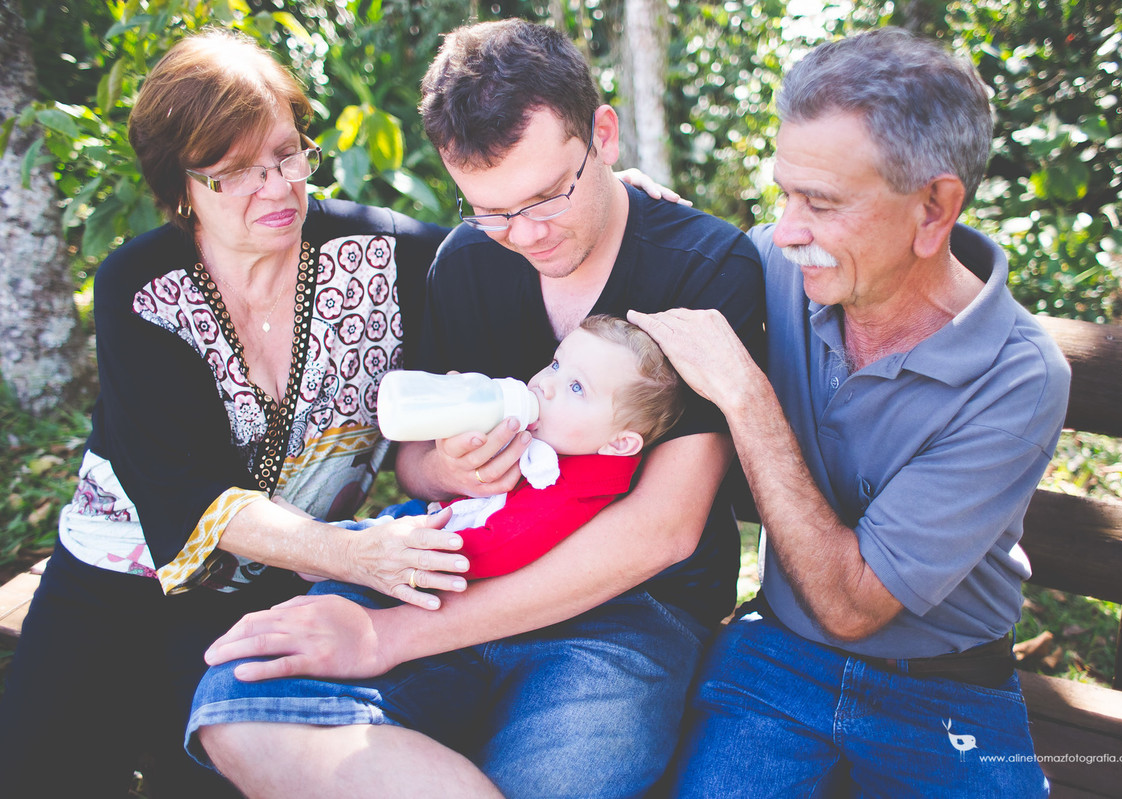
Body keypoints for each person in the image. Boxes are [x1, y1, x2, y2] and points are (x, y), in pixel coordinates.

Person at [189, 18, 765, 799]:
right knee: (237, 705)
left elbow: (662, 530)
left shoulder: (704, 266)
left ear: (603, 133)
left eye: (546, 197)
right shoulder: (468, 261)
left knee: (555, 782)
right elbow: (417, 464)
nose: (524, 235)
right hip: (465, 559)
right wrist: (447, 464)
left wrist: (386, 636)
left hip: (627, 611)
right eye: (490, 209)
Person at [0, 29, 463, 799]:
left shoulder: (383, 255)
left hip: (267, 588)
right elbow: (189, 496)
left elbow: (506, 254)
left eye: (287, 154)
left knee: (213, 769)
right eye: (235, 171)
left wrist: (612, 201)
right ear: (182, 187)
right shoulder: (142, 288)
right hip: (115, 578)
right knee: (33, 771)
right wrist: (356, 553)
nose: (276, 187)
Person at [630, 27, 1070, 797]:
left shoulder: (1017, 375)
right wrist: (621, 211)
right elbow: (657, 262)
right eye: (784, 193)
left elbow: (851, 604)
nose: (787, 230)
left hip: (949, 689)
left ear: (934, 208)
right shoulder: (779, 262)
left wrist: (745, 394)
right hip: (778, 659)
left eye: (823, 203)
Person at [329, 313, 686, 581]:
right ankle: (334, 545)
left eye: (577, 387)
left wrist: (415, 550)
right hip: (436, 513)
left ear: (619, 442)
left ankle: (333, 550)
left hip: (442, 550)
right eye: (556, 364)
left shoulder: (570, 492)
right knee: (391, 519)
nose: (546, 384)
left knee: (373, 544)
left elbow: (499, 550)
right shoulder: (552, 439)